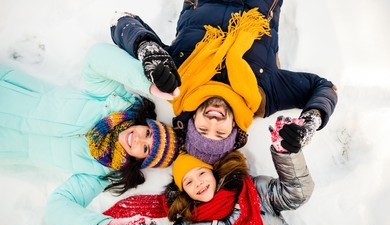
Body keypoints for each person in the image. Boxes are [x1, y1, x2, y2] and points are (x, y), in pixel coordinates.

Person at [110, 0, 338, 164]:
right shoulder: (264, 96)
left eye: (202, 129)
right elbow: (324, 88)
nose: (213, 121)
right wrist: (312, 120)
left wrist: (146, 48)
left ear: (192, 120)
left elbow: (121, 21)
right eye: (220, 133)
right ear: (233, 131)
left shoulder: (176, 78)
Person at [0, 42, 179, 225]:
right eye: (147, 132)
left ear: (139, 160)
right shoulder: (112, 103)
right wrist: (148, 84)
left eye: (145, 148)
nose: (138, 138)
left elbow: (56, 208)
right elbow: (96, 58)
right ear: (143, 123)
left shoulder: (100, 173)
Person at [100, 116, 314, 225]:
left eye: (201, 173)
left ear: (213, 172)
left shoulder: (253, 192)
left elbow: (297, 193)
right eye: (189, 182)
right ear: (184, 192)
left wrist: (286, 152)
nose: (199, 183)